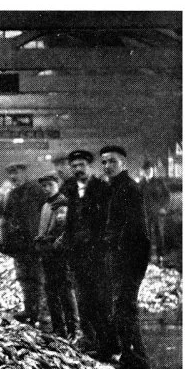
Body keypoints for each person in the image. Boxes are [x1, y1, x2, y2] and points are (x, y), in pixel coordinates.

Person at [100, 145, 152, 369]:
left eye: (112, 161)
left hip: (128, 259)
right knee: (121, 308)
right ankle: (130, 358)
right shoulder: (115, 188)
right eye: (104, 162)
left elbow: (136, 229)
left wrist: (120, 252)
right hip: (120, 258)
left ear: (124, 164)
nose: (107, 166)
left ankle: (140, 364)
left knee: (125, 308)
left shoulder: (129, 189)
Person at [56, 149, 113, 358]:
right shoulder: (67, 188)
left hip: (97, 254)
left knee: (102, 299)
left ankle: (108, 345)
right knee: (83, 300)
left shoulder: (102, 188)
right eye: (74, 166)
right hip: (77, 254)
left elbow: (109, 220)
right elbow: (61, 217)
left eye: (82, 165)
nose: (78, 170)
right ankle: (91, 341)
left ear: (90, 166)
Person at [34, 172, 79, 340]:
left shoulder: (62, 204)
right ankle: (59, 328)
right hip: (47, 253)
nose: (46, 189)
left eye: (50, 185)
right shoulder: (46, 205)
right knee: (51, 291)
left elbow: (62, 229)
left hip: (59, 254)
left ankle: (73, 330)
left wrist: (50, 241)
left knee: (65, 291)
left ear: (57, 185)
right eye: (44, 186)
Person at [2, 163, 47, 324]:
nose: (13, 177)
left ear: (24, 172)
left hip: (34, 244)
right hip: (19, 245)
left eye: (16, 172)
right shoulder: (12, 194)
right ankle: (30, 310)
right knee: (24, 278)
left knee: (38, 278)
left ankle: (40, 314)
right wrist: (7, 243)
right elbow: (7, 220)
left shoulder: (36, 190)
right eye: (11, 173)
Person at [138, 159, 171, 264]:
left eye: (149, 170)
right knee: (146, 236)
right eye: (146, 170)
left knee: (159, 235)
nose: (148, 172)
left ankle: (161, 257)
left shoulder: (159, 182)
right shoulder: (141, 184)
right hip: (145, 214)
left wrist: (164, 208)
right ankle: (146, 258)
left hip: (158, 213)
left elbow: (167, 196)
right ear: (143, 171)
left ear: (153, 170)